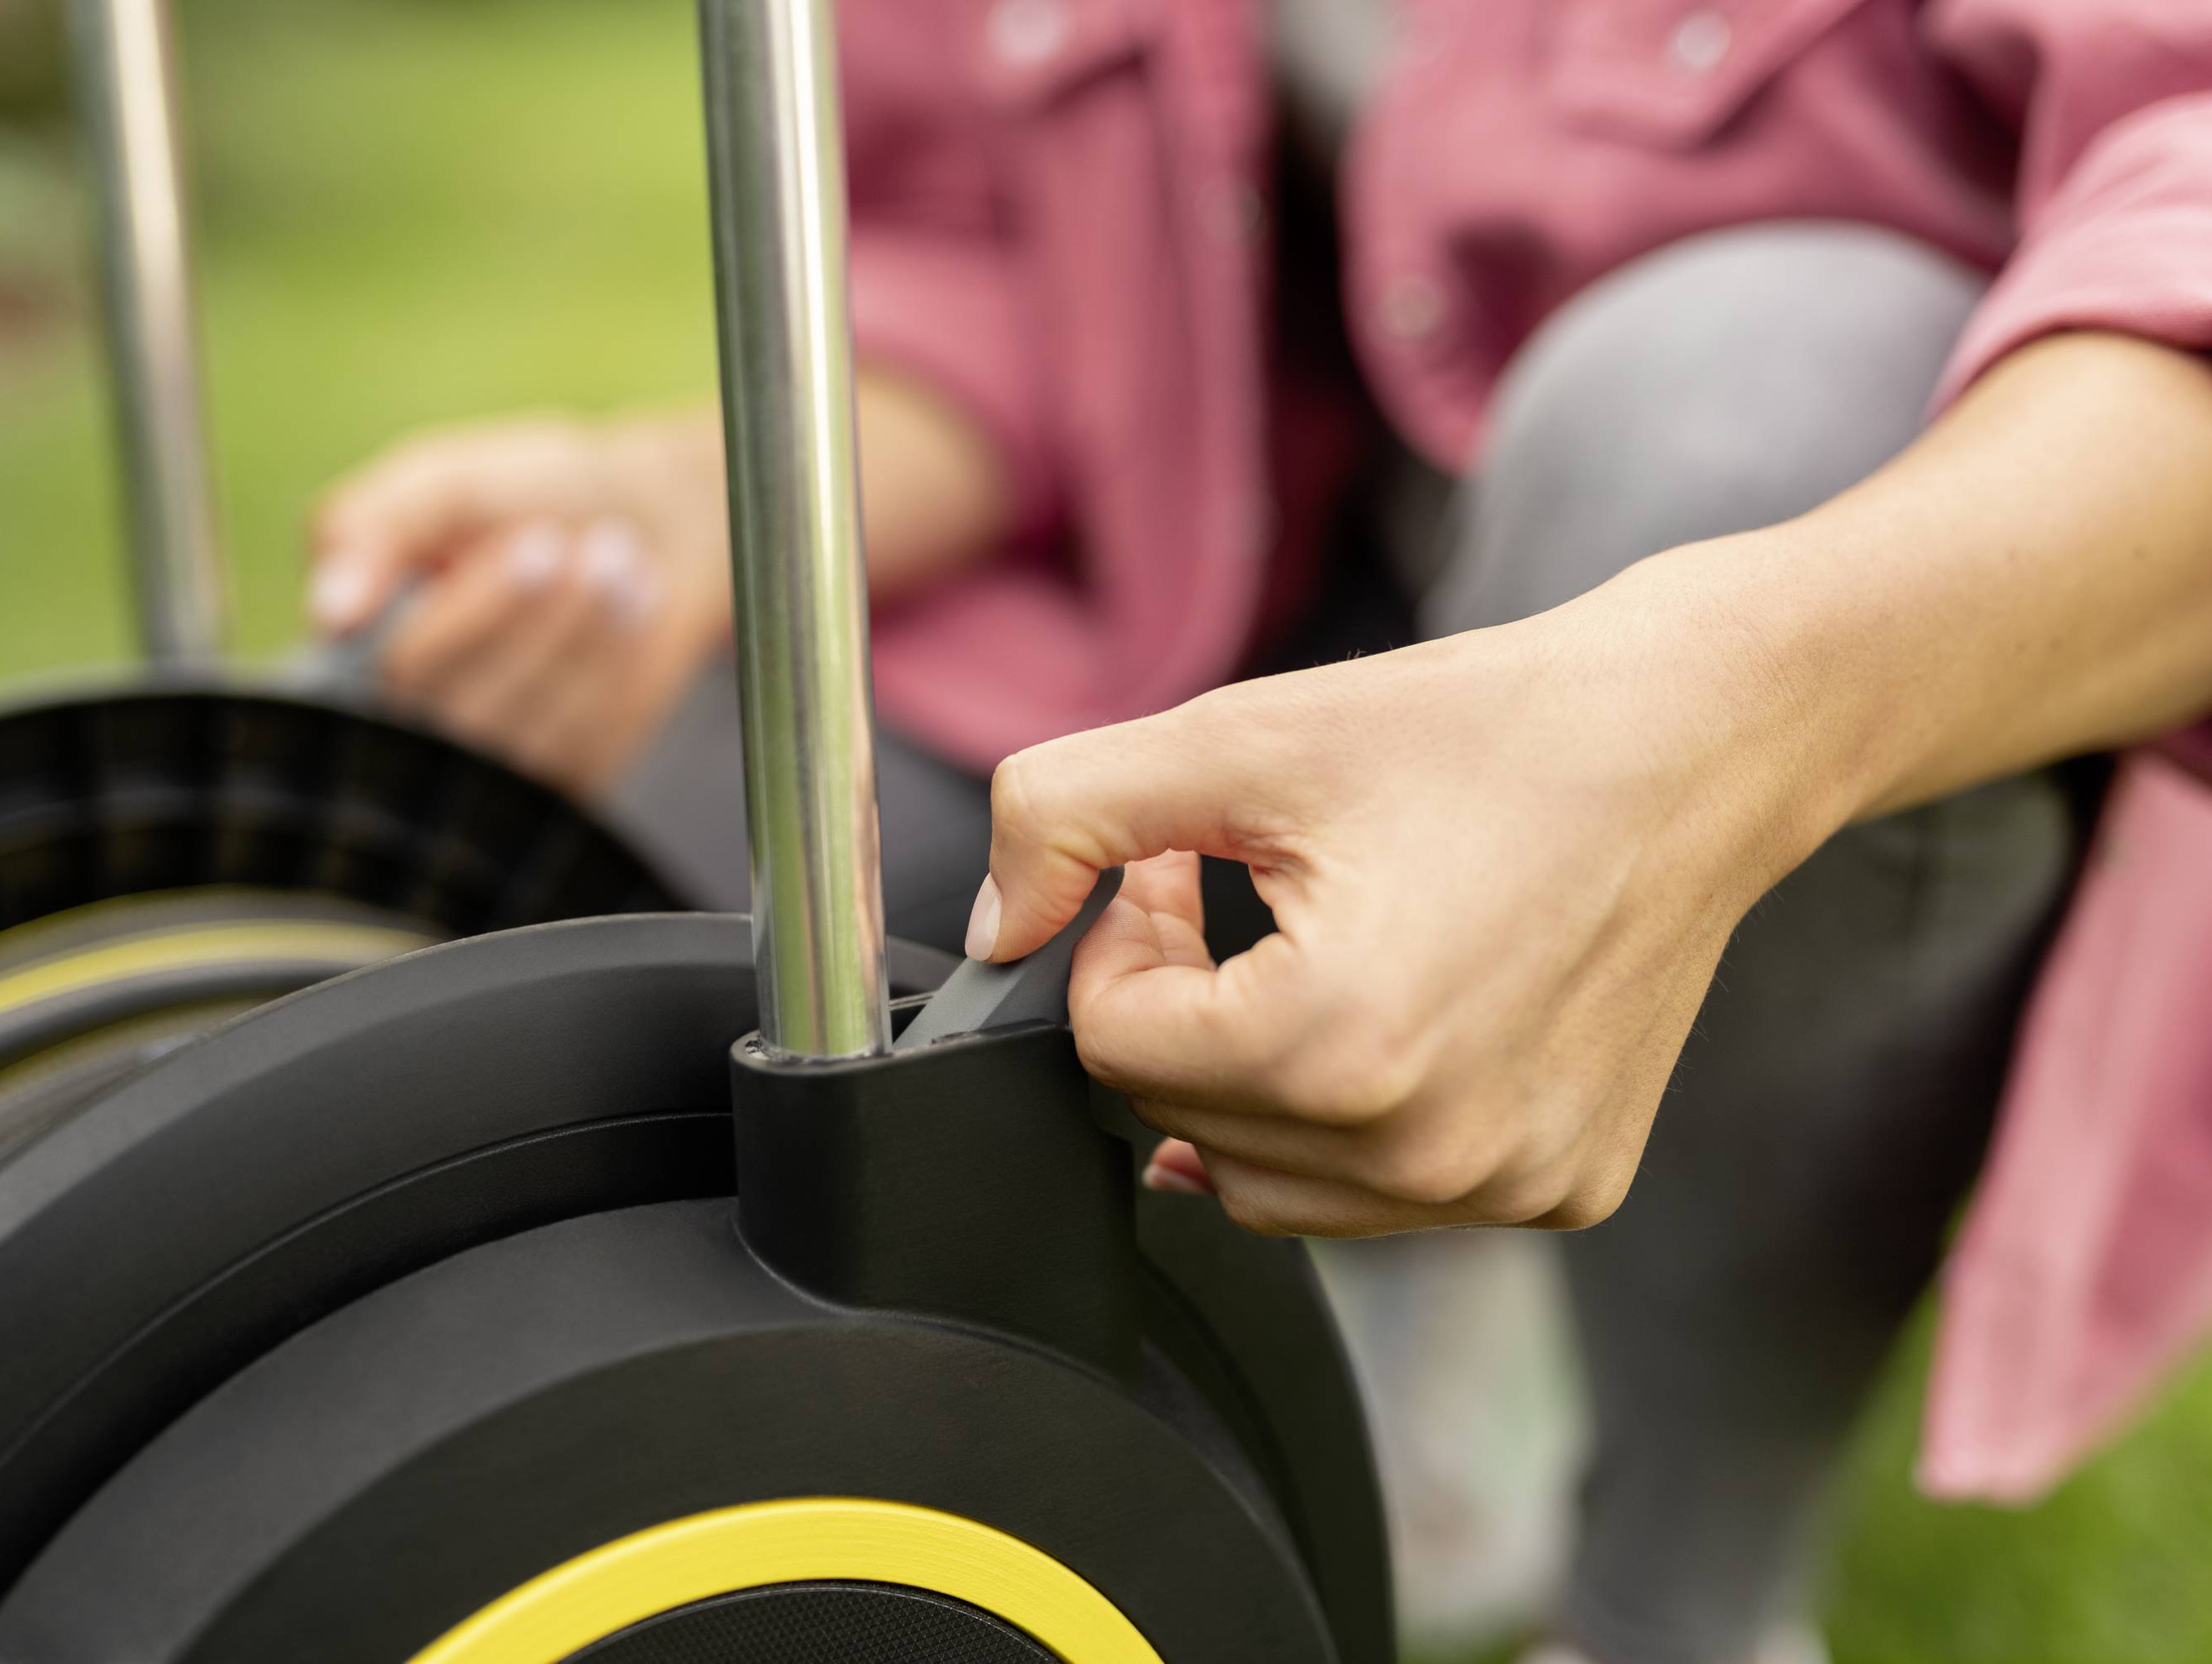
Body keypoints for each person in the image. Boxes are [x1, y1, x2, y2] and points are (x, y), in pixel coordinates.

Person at [310, 3, 2212, 1661]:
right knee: (537, 781)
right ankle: (1401, 1306)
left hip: (1813, 602)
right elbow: (1016, 294)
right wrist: (663, 507)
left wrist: (1696, 728)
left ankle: (1677, 1600)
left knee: (1721, 426)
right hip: (1245, 615)